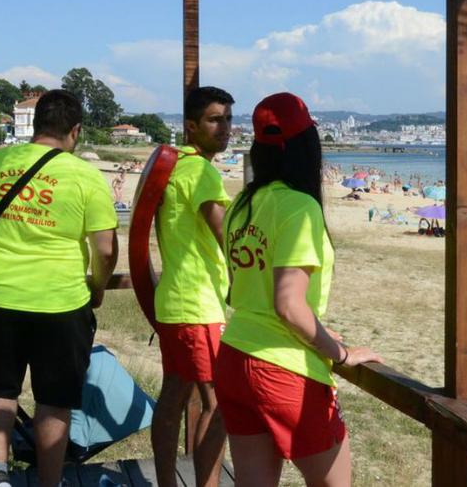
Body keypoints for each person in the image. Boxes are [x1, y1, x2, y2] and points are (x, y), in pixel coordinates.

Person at [0, 90, 118, 487]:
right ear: (75, 131)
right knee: (54, 400)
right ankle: (49, 483)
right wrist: (98, 288)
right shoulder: (85, 176)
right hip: (61, 300)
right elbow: (105, 250)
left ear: (36, 124)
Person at [215, 93, 381, 486]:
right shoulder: (299, 208)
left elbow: (248, 289)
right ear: (308, 147)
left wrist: (319, 332)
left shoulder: (242, 203)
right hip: (282, 366)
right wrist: (338, 354)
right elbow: (288, 305)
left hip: (236, 355)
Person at [151, 86, 235, 487]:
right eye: (215, 120)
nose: (226, 129)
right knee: (217, 403)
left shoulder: (176, 166)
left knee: (173, 398)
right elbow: (226, 236)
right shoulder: (201, 170)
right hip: (198, 303)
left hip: (174, 299)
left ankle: (168, 482)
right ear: (191, 126)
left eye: (229, 119)